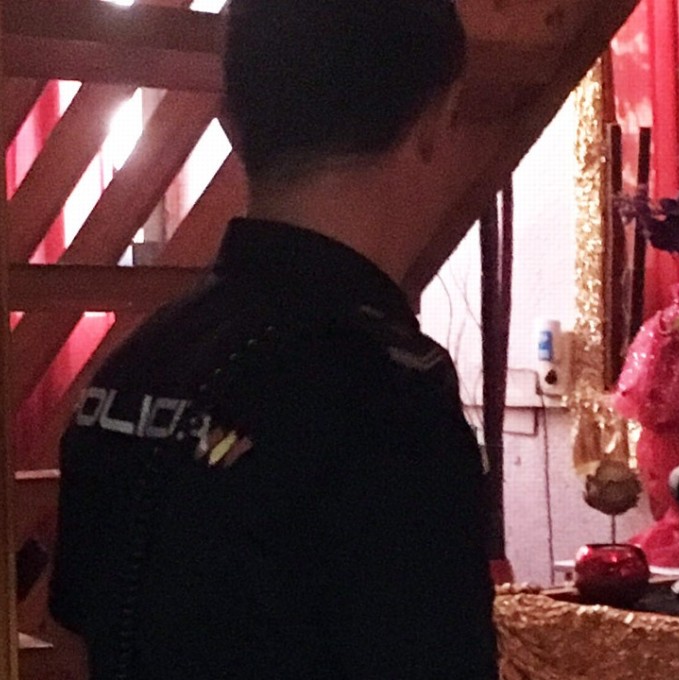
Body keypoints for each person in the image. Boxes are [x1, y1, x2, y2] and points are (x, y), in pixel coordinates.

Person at [48, 1, 499, 678]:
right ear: (437, 122)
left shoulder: (134, 368)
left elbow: (83, 642)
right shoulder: (382, 394)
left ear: (231, 121)